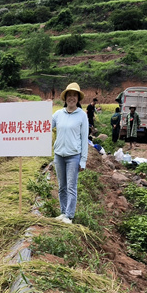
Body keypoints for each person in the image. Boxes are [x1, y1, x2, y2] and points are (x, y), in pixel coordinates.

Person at [51, 82, 89, 225]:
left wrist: (83, 160)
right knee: (62, 186)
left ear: (78, 99)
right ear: (65, 98)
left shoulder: (82, 116)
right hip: (59, 155)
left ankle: (69, 215)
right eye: (69, 95)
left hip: (73, 156)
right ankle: (63, 212)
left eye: (74, 95)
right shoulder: (58, 114)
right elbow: (44, 125)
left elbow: (84, 139)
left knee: (71, 186)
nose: (72, 98)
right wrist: (42, 109)